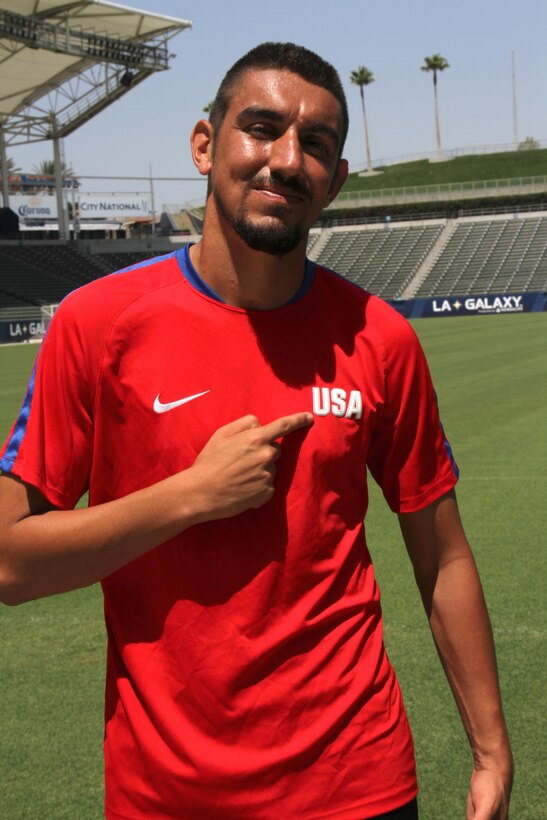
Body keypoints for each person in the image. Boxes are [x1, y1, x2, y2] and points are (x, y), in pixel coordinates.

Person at [0, 42, 513, 820]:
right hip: (166, 793)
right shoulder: (97, 324)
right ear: (206, 145)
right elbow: (9, 565)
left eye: (314, 144)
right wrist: (189, 497)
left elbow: (440, 553)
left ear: (334, 181)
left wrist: (489, 753)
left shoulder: (379, 338)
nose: (284, 159)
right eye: (261, 128)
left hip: (356, 781)